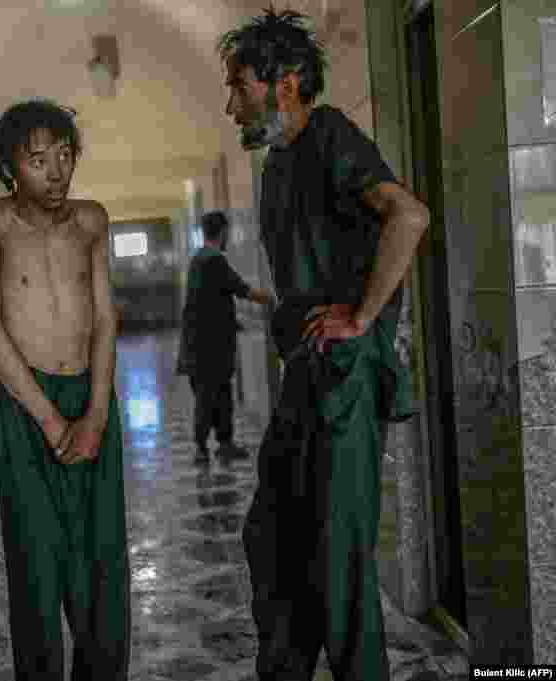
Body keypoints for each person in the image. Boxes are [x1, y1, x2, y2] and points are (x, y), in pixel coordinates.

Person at [219, 8, 429, 681]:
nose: (231, 103)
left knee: (340, 561)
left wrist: (363, 315)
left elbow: (410, 214)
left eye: (239, 85)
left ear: (282, 82)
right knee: (274, 535)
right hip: (305, 379)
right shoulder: (280, 163)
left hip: (344, 377)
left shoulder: (329, 133)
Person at [0, 99, 130, 680]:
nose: (57, 172)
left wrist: (96, 414)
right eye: (39, 160)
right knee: (36, 561)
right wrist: (50, 420)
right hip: (23, 403)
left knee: (102, 559)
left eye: (65, 157)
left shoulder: (91, 220)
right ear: (11, 166)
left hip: (90, 397)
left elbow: (106, 318)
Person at [176, 210, 272, 461]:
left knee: (218, 396)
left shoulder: (199, 258)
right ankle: (201, 448)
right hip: (208, 349)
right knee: (209, 398)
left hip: (200, 345)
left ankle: (224, 444)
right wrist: (274, 299)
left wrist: (231, 321)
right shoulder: (213, 260)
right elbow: (243, 290)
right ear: (223, 232)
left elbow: (208, 302)